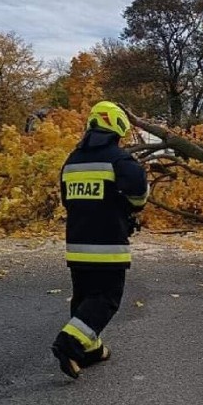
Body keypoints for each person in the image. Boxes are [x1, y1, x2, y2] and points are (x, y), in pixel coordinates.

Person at [51, 101, 149, 379]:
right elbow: (139, 197)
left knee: (84, 298)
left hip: (77, 246)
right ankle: (69, 343)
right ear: (118, 127)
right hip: (108, 247)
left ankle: (91, 350)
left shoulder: (71, 161)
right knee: (105, 299)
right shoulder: (120, 160)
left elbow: (66, 200)